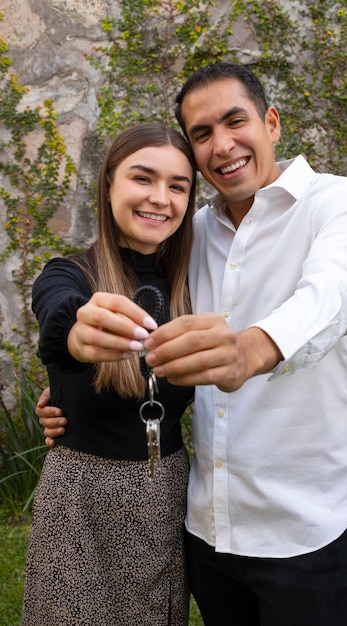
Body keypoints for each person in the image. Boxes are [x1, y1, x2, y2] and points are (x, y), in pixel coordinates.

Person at [38, 63, 347, 626]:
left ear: (271, 123)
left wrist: (253, 348)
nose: (221, 145)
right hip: (207, 526)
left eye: (234, 121)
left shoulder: (337, 205)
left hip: (307, 526)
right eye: (201, 134)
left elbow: (332, 298)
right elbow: (78, 291)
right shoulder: (191, 234)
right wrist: (67, 384)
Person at [23, 123, 196, 626]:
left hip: (166, 490)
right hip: (81, 495)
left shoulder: (188, 282)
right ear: (109, 185)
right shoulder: (70, 273)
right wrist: (77, 336)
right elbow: (60, 313)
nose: (160, 198)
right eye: (143, 178)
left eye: (178, 186)